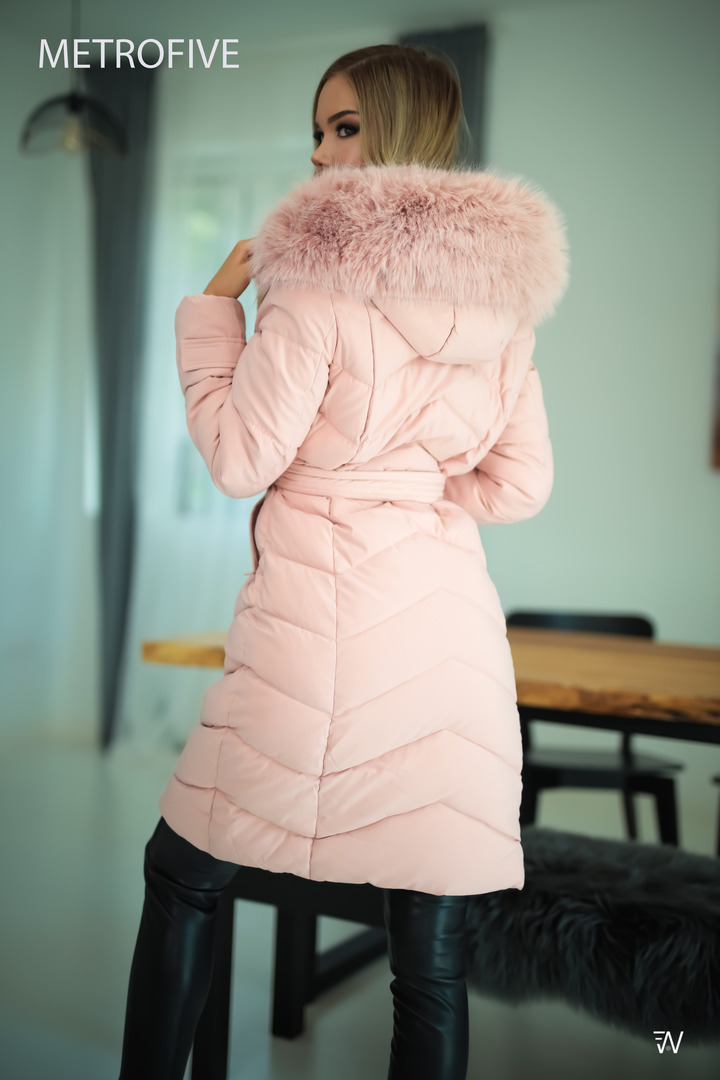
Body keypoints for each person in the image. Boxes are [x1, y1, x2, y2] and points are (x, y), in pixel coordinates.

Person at [117, 43, 568, 1080]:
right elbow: (519, 486)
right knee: (430, 956)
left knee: (182, 874)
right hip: (450, 645)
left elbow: (240, 459)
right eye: (317, 131)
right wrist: (414, 493)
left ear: (408, 130)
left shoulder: (314, 283)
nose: (321, 155)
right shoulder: (505, 314)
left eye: (346, 127)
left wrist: (211, 315)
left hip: (315, 632)